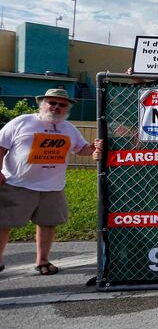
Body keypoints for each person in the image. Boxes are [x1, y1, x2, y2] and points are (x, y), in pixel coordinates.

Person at [0, 88, 101, 275]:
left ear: (67, 109)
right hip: (17, 184)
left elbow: (82, 150)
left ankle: (43, 261)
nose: (56, 107)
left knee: (48, 223)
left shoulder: (68, 128)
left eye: (61, 105)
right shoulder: (22, 122)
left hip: (52, 187)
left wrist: (94, 147)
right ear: (42, 104)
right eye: (51, 103)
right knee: (3, 224)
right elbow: (1, 146)